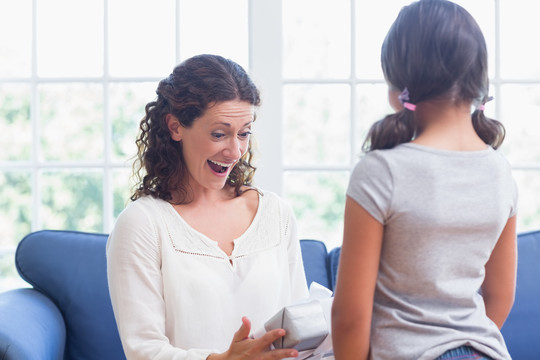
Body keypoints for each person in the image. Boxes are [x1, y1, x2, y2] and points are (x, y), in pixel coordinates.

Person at [331, 1, 517, 359]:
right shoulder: (499, 171)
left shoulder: (382, 171)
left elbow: (350, 316)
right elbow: (500, 296)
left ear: (398, 82)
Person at [106, 54, 309, 360]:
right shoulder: (143, 224)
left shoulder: (276, 214)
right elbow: (143, 350)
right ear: (175, 127)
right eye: (219, 134)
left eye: (244, 133)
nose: (235, 151)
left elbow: (302, 330)